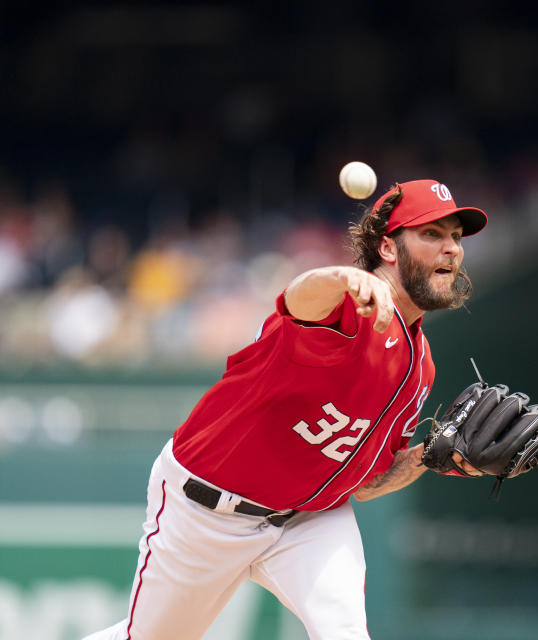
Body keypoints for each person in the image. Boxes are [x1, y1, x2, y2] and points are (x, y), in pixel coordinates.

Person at [84, 179, 488, 640]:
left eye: (455, 236)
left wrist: (430, 457)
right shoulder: (347, 307)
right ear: (388, 249)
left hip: (310, 521)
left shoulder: (422, 367)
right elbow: (299, 300)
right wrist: (340, 278)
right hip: (206, 513)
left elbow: (368, 482)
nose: (451, 248)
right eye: (432, 234)